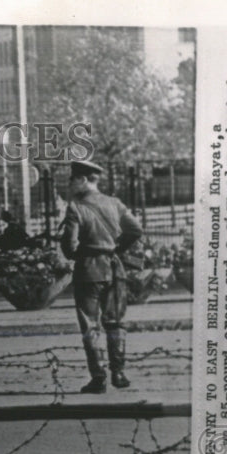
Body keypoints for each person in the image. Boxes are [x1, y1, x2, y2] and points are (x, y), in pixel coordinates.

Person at [59, 160, 143, 393]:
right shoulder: (115, 203)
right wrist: (116, 249)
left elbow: (69, 244)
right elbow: (135, 230)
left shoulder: (75, 207)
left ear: (84, 180)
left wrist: (75, 253)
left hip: (88, 271)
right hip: (115, 269)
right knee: (116, 322)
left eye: (73, 179)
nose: (70, 183)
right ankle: (119, 372)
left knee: (90, 325)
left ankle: (98, 378)